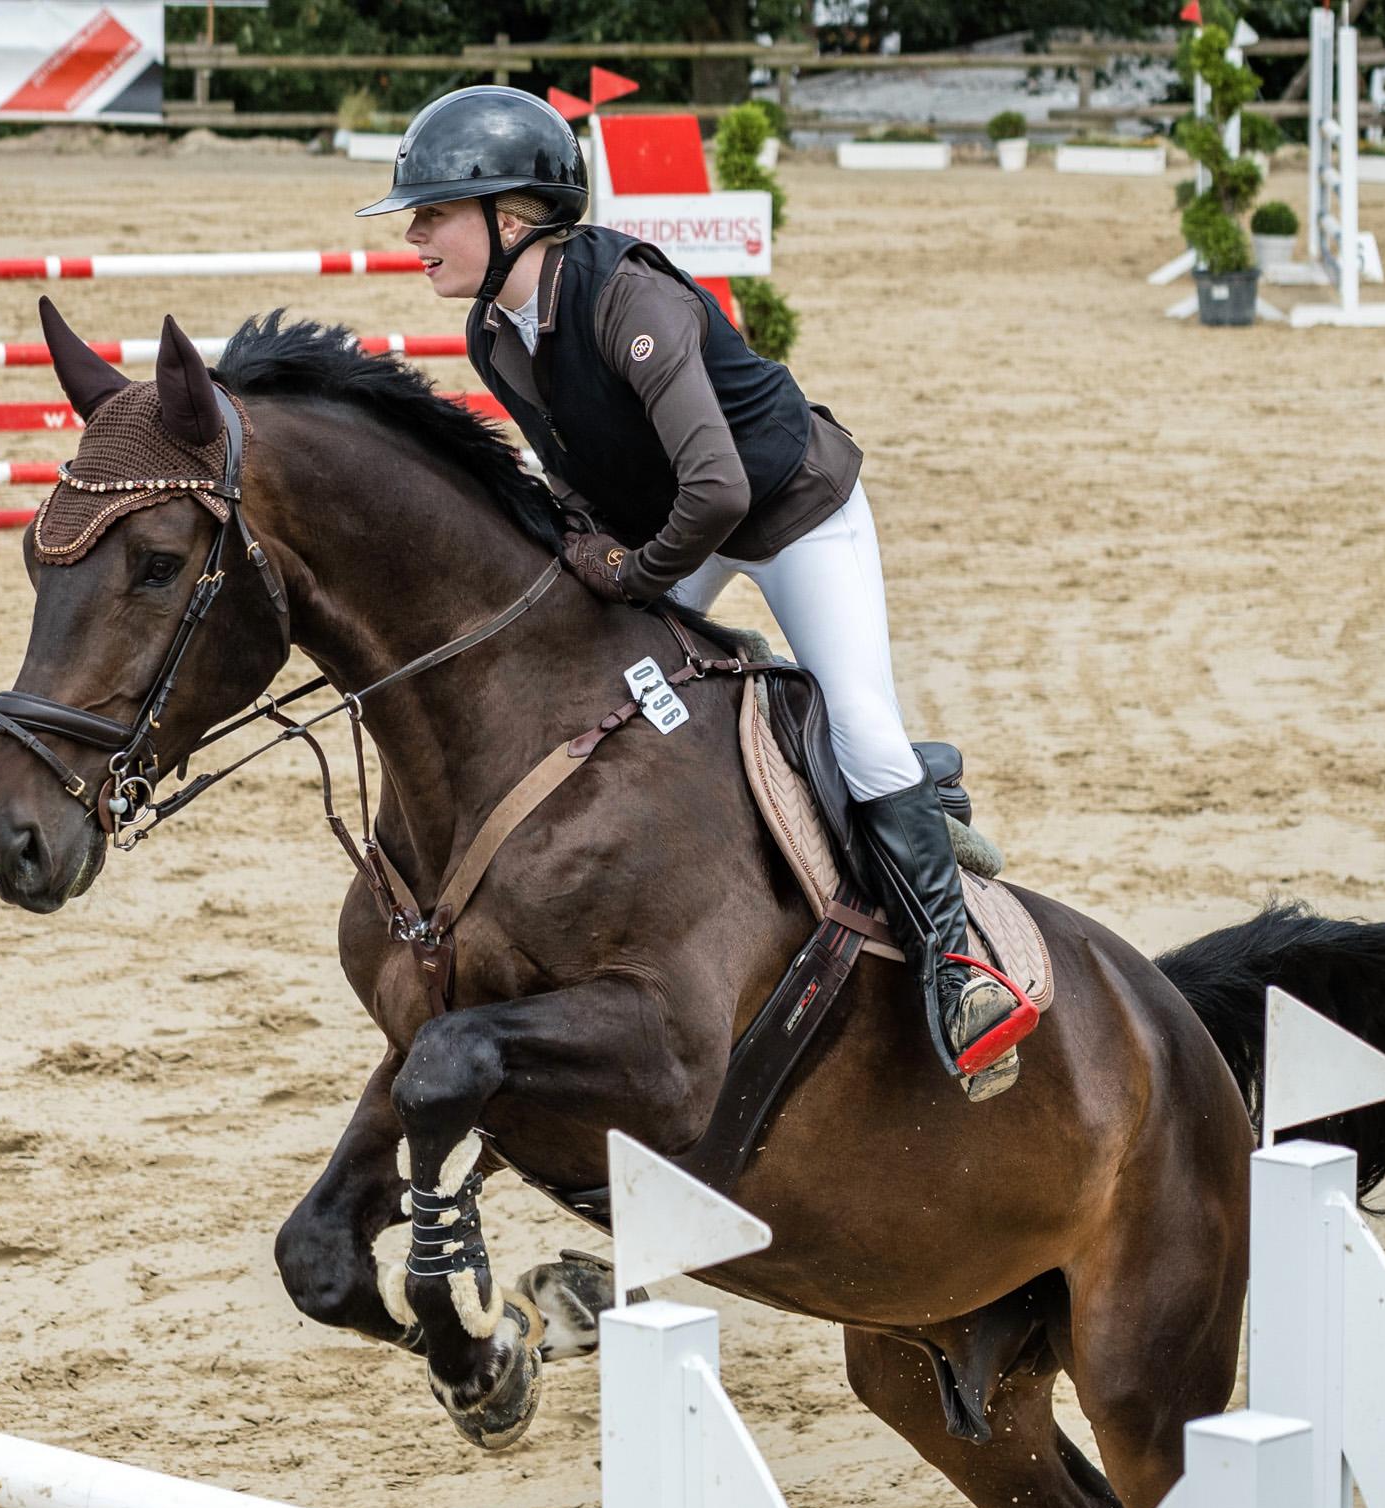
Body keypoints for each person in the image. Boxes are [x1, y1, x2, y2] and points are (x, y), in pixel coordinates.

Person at [358, 86, 1034, 1100]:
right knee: (601, 666)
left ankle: (955, 965)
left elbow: (716, 483)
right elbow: (576, 477)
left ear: (511, 221)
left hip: (790, 510)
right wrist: (588, 558)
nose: (413, 235)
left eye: (432, 215)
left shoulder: (629, 298)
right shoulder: (495, 337)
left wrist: (633, 575)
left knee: (856, 718)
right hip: (682, 521)